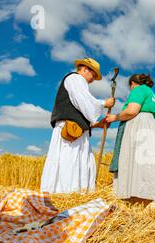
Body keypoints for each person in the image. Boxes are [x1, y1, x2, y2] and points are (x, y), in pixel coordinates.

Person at [40, 57, 115, 194]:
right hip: (70, 132)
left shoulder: (80, 83)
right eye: (93, 74)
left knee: (79, 163)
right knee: (69, 162)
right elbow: (83, 101)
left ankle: (76, 194)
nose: (93, 78)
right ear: (85, 69)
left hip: (78, 131)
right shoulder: (75, 79)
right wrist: (104, 104)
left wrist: (99, 124)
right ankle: (65, 194)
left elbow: (81, 113)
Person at [105, 73, 155, 206]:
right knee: (147, 163)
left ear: (133, 83)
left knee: (134, 162)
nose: (131, 89)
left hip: (139, 126)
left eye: (130, 87)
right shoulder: (151, 94)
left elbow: (132, 110)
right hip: (151, 127)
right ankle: (148, 201)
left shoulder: (139, 89)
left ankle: (134, 199)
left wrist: (114, 117)